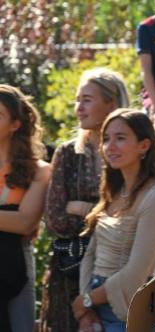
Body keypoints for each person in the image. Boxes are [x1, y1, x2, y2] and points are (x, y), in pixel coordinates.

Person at [71, 109, 155, 331]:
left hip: (127, 310)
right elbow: (91, 252)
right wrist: (85, 307)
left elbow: (136, 273)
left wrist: (87, 300)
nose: (110, 146)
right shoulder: (114, 191)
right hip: (95, 303)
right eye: (106, 139)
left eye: (120, 138)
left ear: (144, 145)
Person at [42, 68, 129, 332]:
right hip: (70, 269)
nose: (79, 107)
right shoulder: (68, 152)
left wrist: (82, 208)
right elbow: (55, 221)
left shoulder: (129, 152)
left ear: (111, 104)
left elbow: (130, 218)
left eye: (87, 99)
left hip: (117, 271)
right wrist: (103, 214)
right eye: (77, 100)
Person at [0, 85, 51, 332]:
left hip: (16, 267)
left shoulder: (39, 170)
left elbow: (25, 222)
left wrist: (14, 219)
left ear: (15, 124)